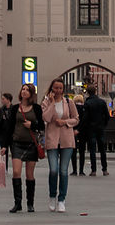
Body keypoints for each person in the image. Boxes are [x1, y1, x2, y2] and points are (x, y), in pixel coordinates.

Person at [5, 83, 44, 213]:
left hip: (31, 144)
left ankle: (30, 203)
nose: (24, 92)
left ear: (31, 93)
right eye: (23, 89)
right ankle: (17, 203)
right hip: (17, 143)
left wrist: (32, 125)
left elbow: (41, 127)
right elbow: (9, 127)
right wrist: (4, 145)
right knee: (16, 172)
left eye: (27, 90)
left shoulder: (36, 108)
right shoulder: (15, 108)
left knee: (29, 174)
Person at [42, 79, 79, 213]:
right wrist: (52, 103)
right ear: (52, 88)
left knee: (63, 171)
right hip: (52, 139)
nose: (58, 90)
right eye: (55, 88)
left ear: (63, 89)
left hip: (66, 139)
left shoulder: (69, 102)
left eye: (60, 88)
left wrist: (65, 122)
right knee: (53, 169)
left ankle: (61, 199)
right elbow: (45, 118)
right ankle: (52, 196)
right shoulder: (46, 102)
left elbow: (76, 119)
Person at [78, 84, 109, 176]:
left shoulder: (88, 103)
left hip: (91, 128)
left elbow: (85, 118)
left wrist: (81, 128)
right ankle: (104, 169)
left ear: (87, 92)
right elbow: (107, 116)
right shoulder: (102, 102)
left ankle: (94, 170)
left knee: (92, 150)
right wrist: (104, 124)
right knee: (102, 149)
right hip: (100, 128)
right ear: (95, 91)